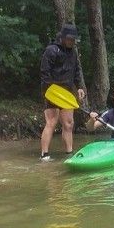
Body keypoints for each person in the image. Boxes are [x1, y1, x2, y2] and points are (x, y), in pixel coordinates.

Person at [40, 23, 86, 161]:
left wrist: (79, 87)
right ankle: (44, 154)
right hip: (52, 91)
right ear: (63, 37)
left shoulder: (73, 52)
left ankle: (69, 153)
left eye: (74, 40)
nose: (73, 42)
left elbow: (77, 70)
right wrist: (49, 91)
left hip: (66, 92)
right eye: (70, 39)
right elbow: (44, 73)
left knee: (68, 123)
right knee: (52, 122)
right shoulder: (51, 50)